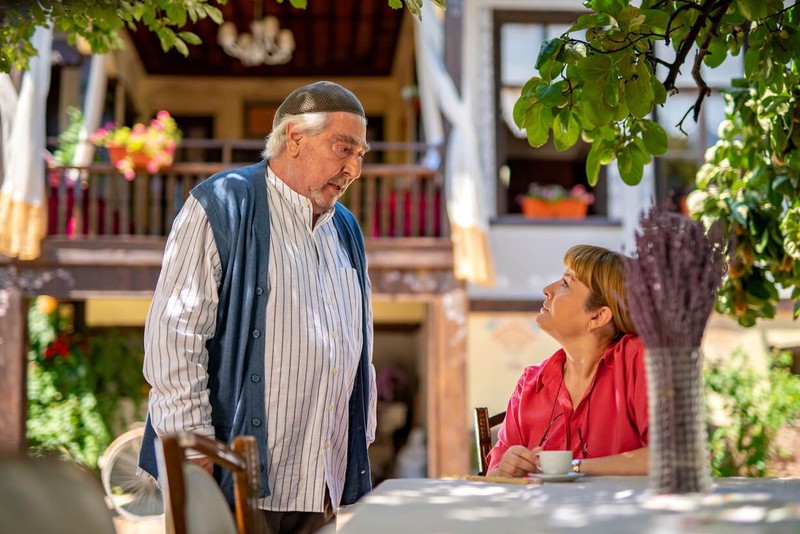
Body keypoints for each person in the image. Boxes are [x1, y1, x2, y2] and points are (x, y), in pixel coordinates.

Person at [138, 81, 376, 533]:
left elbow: (360, 347)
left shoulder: (345, 228)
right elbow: (175, 340)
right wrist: (194, 458)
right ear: (295, 138)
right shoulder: (222, 202)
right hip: (234, 481)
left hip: (319, 482)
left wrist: (357, 445)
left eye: (361, 155)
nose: (354, 169)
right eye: (343, 148)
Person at [487, 244, 648, 478]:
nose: (546, 290)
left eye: (565, 283)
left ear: (598, 316)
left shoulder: (637, 359)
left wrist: (570, 467)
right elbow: (492, 476)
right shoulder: (530, 384)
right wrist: (506, 469)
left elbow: (673, 455)